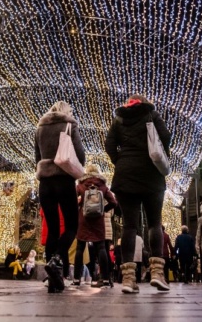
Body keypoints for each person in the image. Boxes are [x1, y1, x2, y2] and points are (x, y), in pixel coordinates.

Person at [105, 94, 172, 294]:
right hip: (151, 173)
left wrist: (121, 160)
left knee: (129, 226)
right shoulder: (151, 114)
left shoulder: (118, 119)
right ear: (144, 103)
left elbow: (109, 145)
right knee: (154, 223)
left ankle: (128, 278)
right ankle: (158, 274)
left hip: (125, 176)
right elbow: (166, 137)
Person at [35, 100, 86, 293]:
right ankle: (56, 259)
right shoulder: (69, 124)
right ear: (67, 112)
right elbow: (80, 155)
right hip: (64, 180)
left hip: (45, 184)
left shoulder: (40, 127)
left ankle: (52, 278)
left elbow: (36, 157)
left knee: (53, 230)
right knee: (72, 226)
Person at [74, 163, 118, 288]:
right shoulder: (103, 186)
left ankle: (77, 278)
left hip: (83, 218)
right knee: (101, 248)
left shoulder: (81, 185)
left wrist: (79, 207)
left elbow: (71, 198)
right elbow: (114, 202)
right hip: (98, 220)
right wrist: (103, 209)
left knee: (80, 248)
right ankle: (105, 279)